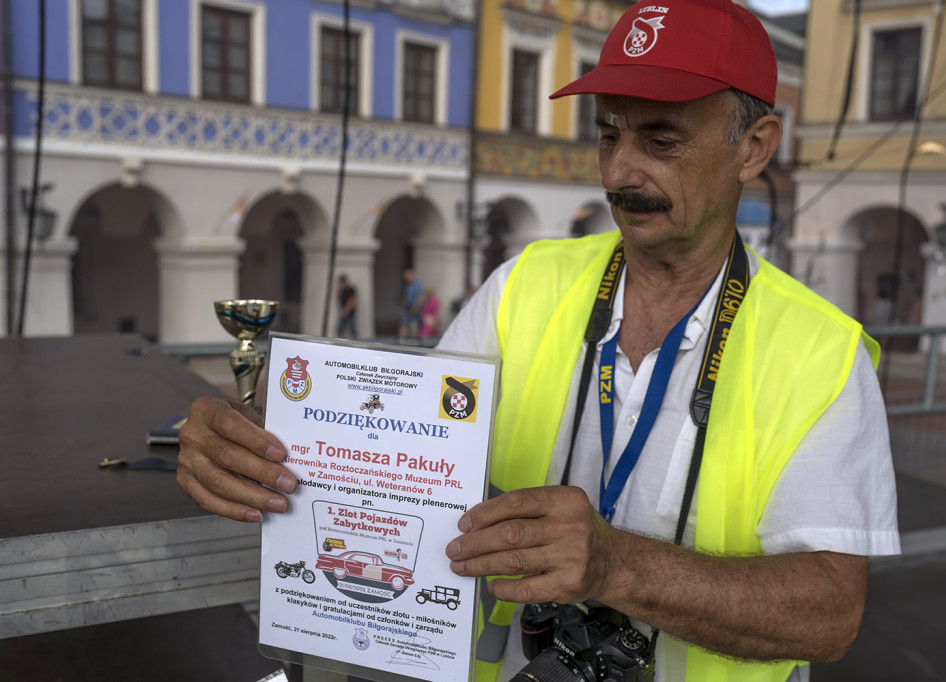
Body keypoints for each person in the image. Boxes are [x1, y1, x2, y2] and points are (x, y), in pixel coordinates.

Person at [176, 2, 900, 680]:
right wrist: (268, 438)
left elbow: (832, 612)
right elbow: (404, 449)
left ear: (755, 147)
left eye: (661, 140)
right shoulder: (523, 283)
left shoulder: (822, 353)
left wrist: (617, 566)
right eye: (609, 134)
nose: (619, 173)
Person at [398, 268, 425, 338]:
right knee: (404, 324)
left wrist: (416, 307)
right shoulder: (407, 285)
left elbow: (420, 298)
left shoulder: (417, 285)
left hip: (415, 309)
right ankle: (402, 340)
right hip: (408, 308)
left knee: (417, 326)